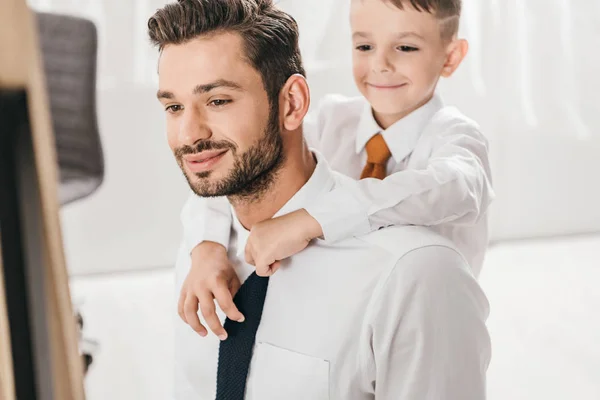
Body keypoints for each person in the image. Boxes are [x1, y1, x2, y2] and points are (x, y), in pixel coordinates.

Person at [149, 0, 490, 399]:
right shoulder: (334, 120)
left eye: (218, 100)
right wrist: (204, 245)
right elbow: (231, 163)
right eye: (173, 106)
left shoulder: (453, 145)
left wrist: (312, 220)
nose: (189, 133)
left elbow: (456, 187)